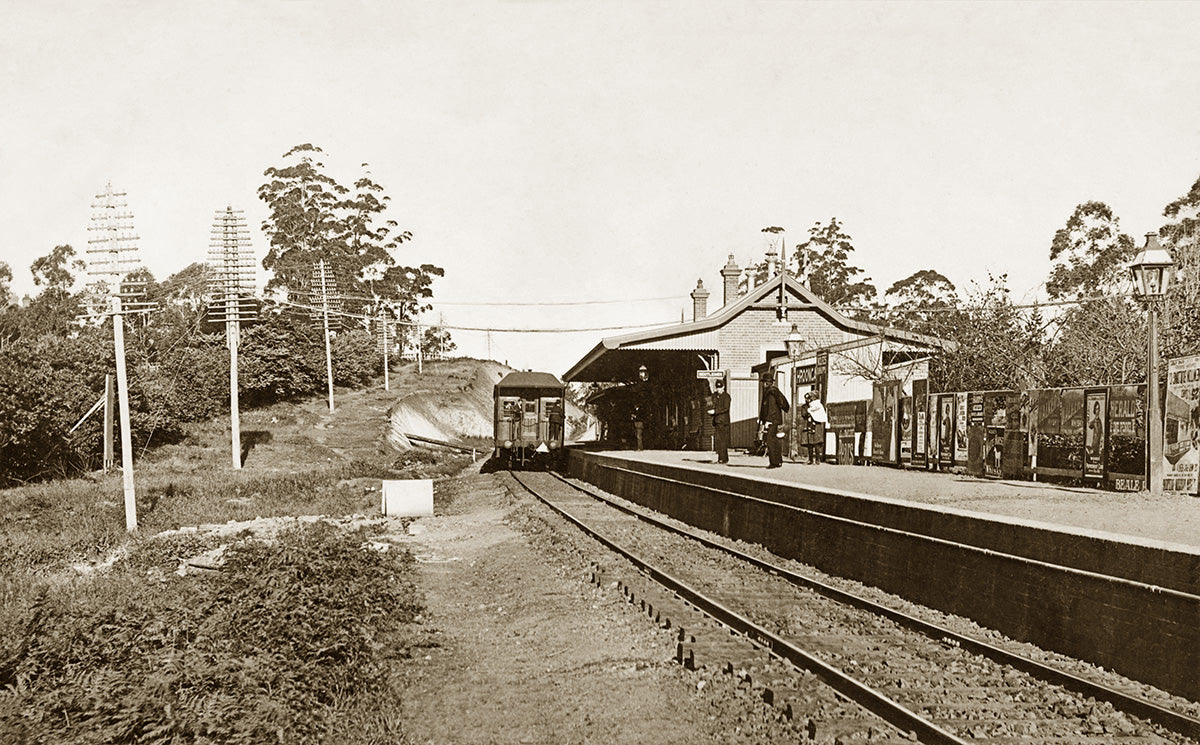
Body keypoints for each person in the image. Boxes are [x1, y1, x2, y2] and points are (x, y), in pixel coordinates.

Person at [758, 375, 790, 468]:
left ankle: (774, 462)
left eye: (763, 382)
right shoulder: (774, 391)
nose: (762, 384)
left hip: (772, 420)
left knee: (770, 440)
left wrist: (767, 420)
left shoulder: (770, 393)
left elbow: (770, 408)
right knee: (775, 440)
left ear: (766, 383)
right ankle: (778, 461)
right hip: (775, 420)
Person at [707, 380, 731, 463]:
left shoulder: (726, 397)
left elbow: (725, 408)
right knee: (719, 440)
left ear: (723, 387)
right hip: (717, 421)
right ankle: (721, 458)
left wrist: (715, 411)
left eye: (720, 387)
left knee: (722, 440)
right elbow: (712, 403)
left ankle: (723, 459)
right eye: (717, 388)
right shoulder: (716, 397)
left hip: (723, 421)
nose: (719, 389)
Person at [801, 391, 828, 464]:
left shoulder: (818, 405)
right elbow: (804, 414)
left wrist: (812, 413)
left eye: (809, 398)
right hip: (808, 425)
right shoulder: (805, 406)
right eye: (806, 398)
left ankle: (817, 459)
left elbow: (820, 414)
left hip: (816, 425)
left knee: (816, 443)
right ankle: (810, 459)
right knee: (809, 443)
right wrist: (808, 412)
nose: (807, 400)